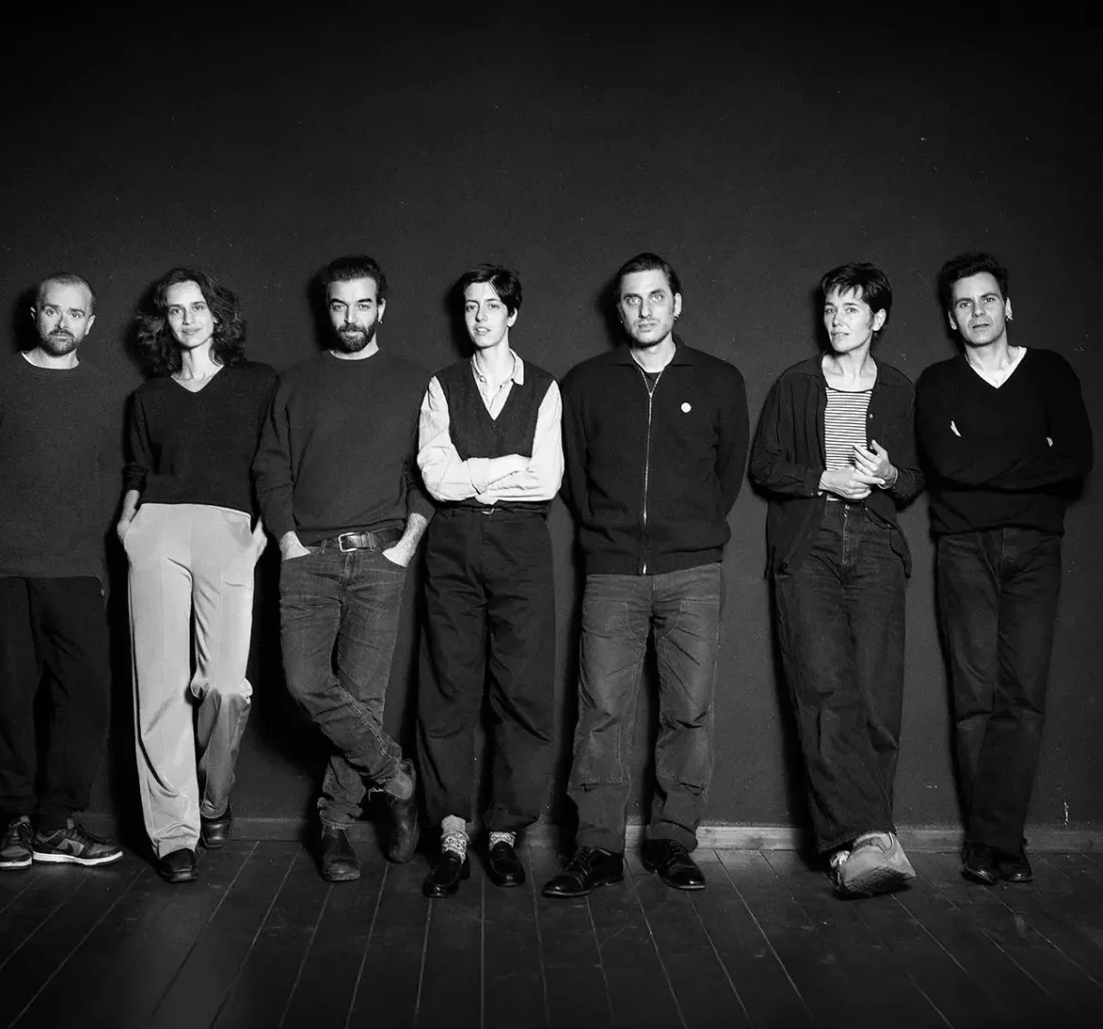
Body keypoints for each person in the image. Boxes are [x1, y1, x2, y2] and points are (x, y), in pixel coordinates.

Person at [545, 252, 749, 898]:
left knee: (689, 712)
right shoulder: (586, 382)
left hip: (693, 572)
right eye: (632, 299)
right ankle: (597, 846)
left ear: (676, 303)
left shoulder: (719, 380)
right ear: (619, 309)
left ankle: (672, 840)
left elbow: (728, 475)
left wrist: (686, 531)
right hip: (611, 574)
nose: (644, 309)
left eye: (656, 296)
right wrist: (610, 533)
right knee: (601, 711)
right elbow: (576, 478)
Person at [253, 255, 434, 882]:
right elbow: (271, 467)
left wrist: (407, 542)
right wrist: (287, 542)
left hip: (382, 553)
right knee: (305, 681)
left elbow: (430, 469)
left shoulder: (414, 382)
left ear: (381, 307)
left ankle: (334, 825)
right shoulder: (296, 382)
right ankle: (395, 777)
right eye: (339, 305)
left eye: (363, 304)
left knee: (363, 696)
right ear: (325, 309)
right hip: (309, 558)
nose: (351, 317)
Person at [915, 251, 1094, 885]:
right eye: (964, 303)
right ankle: (996, 843)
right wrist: (1029, 457)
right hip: (964, 549)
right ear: (951, 317)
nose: (978, 312)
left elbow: (1075, 460)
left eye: (988, 299)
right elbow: (947, 466)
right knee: (975, 697)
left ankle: (994, 842)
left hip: (1036, 550)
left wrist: (983, 465)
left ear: (1008, 306)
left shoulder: (1049, 371)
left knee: (1022, 696)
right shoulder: (938, 383)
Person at [0, 272, 125, 871]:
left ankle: (55, 823)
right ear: (35, 315)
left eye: (75, 314)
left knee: (85, 698)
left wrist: (103, 567)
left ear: (90, 324)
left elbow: (116, 481)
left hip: (75, 569)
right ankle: (16, 819)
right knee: (9, 696)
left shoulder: (107, 392)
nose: (62, 323)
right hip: (1, 570)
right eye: (53, 311)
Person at [750, 262, 923, 897]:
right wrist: (824, 477)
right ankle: (862, 842)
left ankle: (864, 842)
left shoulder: (899, 389)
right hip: (811, 541)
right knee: (823, 690)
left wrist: (887, 475)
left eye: (851, 309)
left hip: (875, 541)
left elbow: (913, 479)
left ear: (878, 319)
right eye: (829, 309)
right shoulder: (796, 383)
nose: (837, 320)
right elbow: (764, 465)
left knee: (876, 696)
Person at [119, 268, 278, 884]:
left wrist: (262, 531)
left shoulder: (257, 383)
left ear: (217, 314)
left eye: (198, 307)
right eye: (175, 310)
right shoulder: (150, 398)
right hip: (157, 529)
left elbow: (274, 461)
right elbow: (138, 469)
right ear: (163, 321)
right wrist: (128, 525)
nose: (187, 319)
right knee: (159, 689)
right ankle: (173, 834)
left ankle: (213, 799)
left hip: (228, 530)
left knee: (225, 686)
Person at [413, 264, 563, 898]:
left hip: (523, 547)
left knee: (522, 691)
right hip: (453, 545)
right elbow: (435, 477)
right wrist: (505, 465)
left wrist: (470, 471)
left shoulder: (545, 388)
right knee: (447, 687)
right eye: (471, 306)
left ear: (512, 314)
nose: (480, 317)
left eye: (492, 306)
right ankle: (452, 833)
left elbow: (546, 481)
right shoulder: (442, 386)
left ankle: (504, 834)